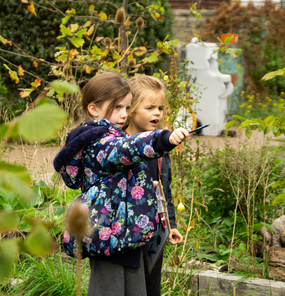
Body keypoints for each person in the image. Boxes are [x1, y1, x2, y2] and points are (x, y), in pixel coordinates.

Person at [53, 72, 189, 296]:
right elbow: (126, 149)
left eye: (126, 108)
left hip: (127, 235)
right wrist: (163, 138)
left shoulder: (112, 136)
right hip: (109, 236)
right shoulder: (99, 142)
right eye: (117, 107)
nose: (123, 114)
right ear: (94, 109)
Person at [125, 75, 184, 296]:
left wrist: (171, 225)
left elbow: (164, 191)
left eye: (160, 108)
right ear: (130, 109)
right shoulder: (118, 145)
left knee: (152, 286)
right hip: (126, 230)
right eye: (149, 107)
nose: (157, 113)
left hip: (154, 232)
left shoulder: (160, 149)